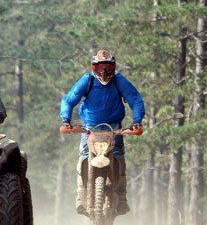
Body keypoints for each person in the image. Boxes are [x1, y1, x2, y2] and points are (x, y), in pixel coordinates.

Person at [60, 49, 145, 215]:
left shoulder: (119, 81)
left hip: (114, 128)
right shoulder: (87, 81)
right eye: (100, 67)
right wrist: (66, 120)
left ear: (113, 67)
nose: (104, 71)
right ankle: (81, 196)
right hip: (89, 129)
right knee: (84, 156)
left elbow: (135, 99)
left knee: (119, 157)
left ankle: (121, 197)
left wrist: (137, 121)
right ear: (94, 67)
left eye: (107, 67)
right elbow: (69, 99)